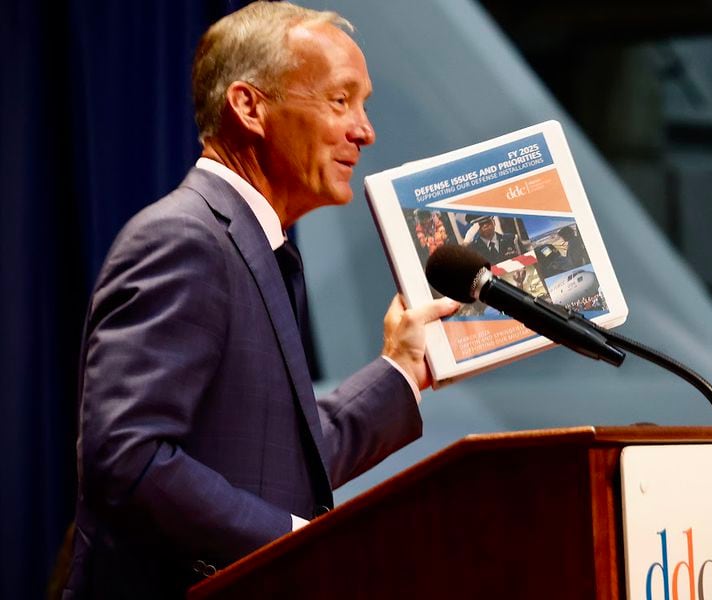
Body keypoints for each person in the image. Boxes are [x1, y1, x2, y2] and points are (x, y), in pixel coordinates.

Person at [63, 3, 458, 598]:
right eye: (340, 100)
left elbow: (277, 460)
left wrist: (403, 369)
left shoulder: (250, 244)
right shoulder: (184, 238)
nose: (365, 129)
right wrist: (296, 543)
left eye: (364, 103)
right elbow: (128, 457)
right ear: (250, 107)